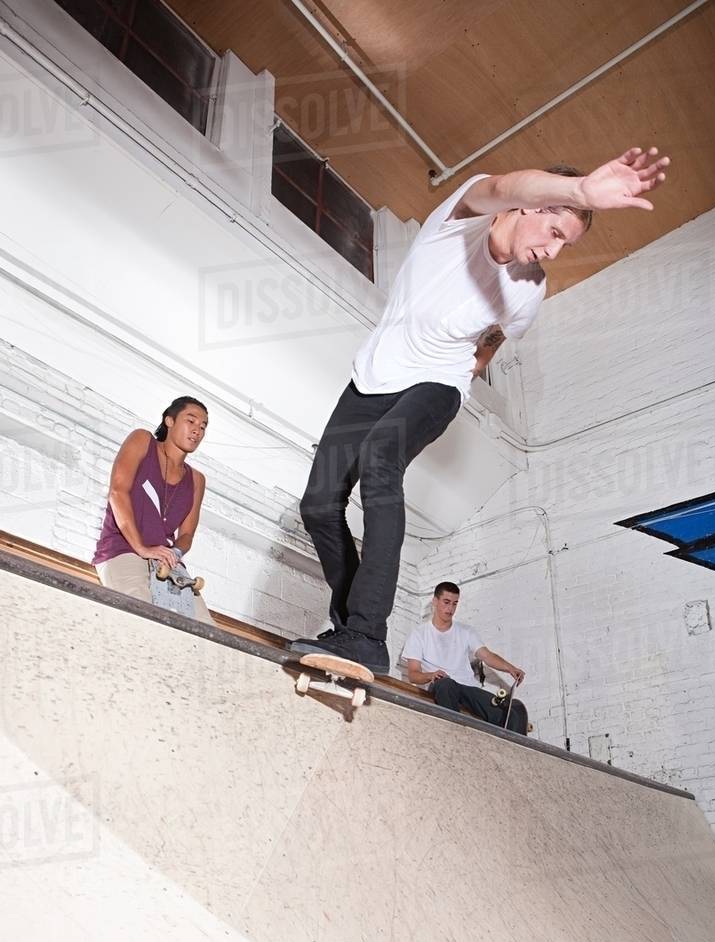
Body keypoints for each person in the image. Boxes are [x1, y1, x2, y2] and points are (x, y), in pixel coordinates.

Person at [290, 146, 670, 672]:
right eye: (554, 233)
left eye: (564, 244)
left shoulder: (531, 288)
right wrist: (581, 191)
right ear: (533, 206)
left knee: (381, 460)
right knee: (317, 504)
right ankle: (349, 629)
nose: (553, 251)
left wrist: (470, 367)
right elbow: (506, 186)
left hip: (437, 386)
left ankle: (366, 633)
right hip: (372, 378)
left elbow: (495, 335)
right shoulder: (461, 219)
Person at [93, 396, 213, 623]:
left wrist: (174, 554)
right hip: (124, 551)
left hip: (165, 563)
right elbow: (118, 492)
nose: (197, 430)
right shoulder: (142, 441)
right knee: (143, 621)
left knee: (207, 632)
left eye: (203, 426)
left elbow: (187, 535)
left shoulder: (197, 480)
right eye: (191, 421)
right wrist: (142, 548)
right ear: (170, 421)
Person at [402, 582, 528, 734]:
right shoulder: (419, 634)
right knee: (446, 684)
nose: (450, 609)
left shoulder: (466, 631)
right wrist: (431, 675)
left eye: (454, 603)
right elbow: (413, 674)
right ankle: (454, 735)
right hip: (442, 686)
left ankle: (510, 745)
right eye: (446, 602)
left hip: (467, 688)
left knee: (512, 713)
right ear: (435, 601)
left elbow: (487, 656)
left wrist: (511, 668)